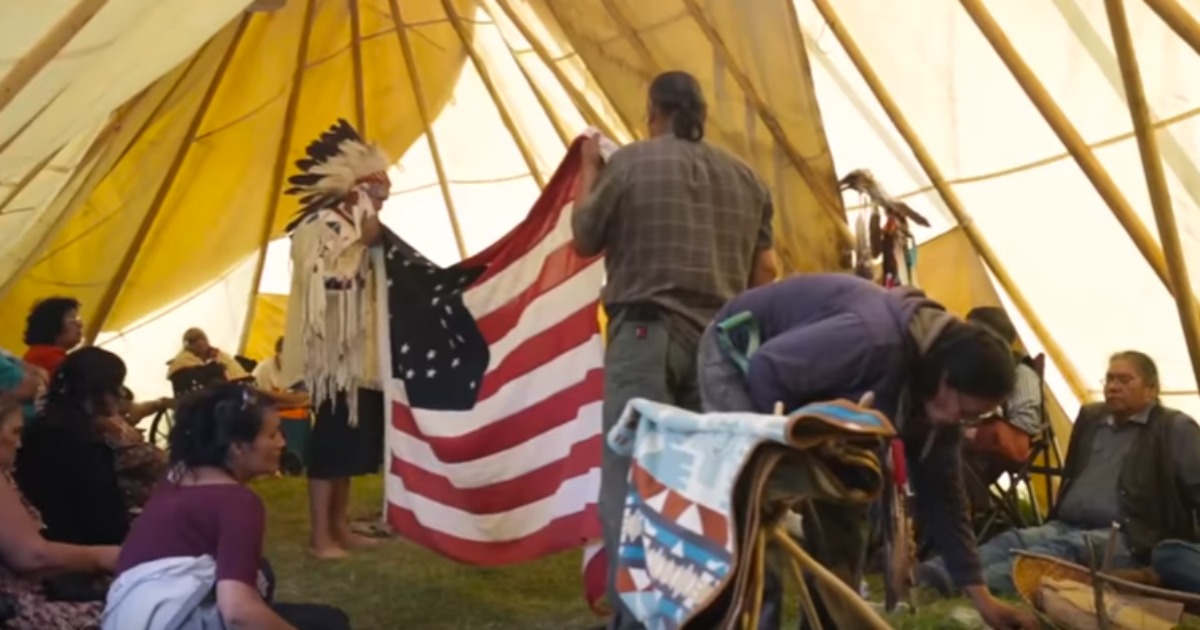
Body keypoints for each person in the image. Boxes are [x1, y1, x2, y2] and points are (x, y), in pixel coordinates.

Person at [697, 273, 1036, 630]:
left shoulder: (937, 390)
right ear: (946, 378)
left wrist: (983, 600)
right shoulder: (872, 341)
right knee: (750, 510)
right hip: (741, 356)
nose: (962, 422)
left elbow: (945, 497)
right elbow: (768, 369)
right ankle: (743, 617)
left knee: (849, 507)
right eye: (966, 412)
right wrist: (791, 456)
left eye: (975, 416)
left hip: (822, 396)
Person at [571, 70, 778, 630]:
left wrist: (590, 170)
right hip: (718, 350)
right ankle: (699, 610)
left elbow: (585, 236)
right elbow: (766, 276)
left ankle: (635, 619)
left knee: (630, 479)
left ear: (653, 111)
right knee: (701, 488)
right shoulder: (748, 180)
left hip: (644, 338)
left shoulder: (630, 164)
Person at [916, 351, 1200, 596]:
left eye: (1124, 380)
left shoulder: (1173, 429)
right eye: (1109, 379)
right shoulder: (1092, 418)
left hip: (1127, 538)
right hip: (1069, 523)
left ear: (1152, 389)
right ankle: (927, 573)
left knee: (1054, 553)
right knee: (1014, 539)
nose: (1113, 387)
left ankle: (957, 585)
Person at [104, 384, 350, 629]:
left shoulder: (177, 474)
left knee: (261, 572)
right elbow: (237, 610)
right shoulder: (236, 502)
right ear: (238, 447)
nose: (282, 443)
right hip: (174, 620)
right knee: (330, 623)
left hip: (128, 616)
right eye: (273, 435)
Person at [278, 119, 387, 559]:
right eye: (378, 193)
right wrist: (363, 240)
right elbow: (324, 282)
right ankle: (321, 536)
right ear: (355, 189)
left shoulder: (359, 226)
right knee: (330, 446)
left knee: (347, 446)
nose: (383, 201)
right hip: (331, 361)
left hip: (359, 358)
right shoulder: (317, 226)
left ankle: (339, 527)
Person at [0, 399, 119, 630]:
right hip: (16, 611)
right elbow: (32, 557)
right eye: (14, 432)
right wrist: (105, 556)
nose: (20, 443)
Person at [14, 347, 131, 547]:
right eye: (117, 385)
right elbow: (105, 518)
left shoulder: (42, 424)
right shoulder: (83, 438)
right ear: (99, 388)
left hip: (49, 541)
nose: (121, 394)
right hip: (85, 551)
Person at [253, 336, 312, 473]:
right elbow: (260, 397)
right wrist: (292, 400)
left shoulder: (300, 371)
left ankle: (296, 457)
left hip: (296, 412)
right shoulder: (264, 369)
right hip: (269, 410)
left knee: (303, 415)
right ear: (278, 353)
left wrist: (287, 399)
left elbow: (307, 398)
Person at [166, 328, 251, 396]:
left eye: (202, 338)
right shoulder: (182, 361)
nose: (199, 342)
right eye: (193, 340)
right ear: (187, 345)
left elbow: (238, 374)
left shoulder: (220, 355)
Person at [22, 296, 83, 376]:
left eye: (77, 318)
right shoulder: (49, 358)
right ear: (52, 323)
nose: (80, 324)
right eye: (71, 318)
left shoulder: (37, 352)